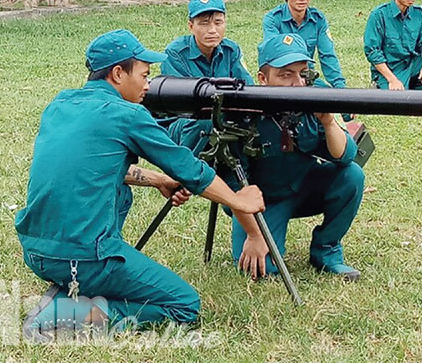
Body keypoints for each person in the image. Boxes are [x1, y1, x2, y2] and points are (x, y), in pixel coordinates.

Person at [15, 30, 265, 341]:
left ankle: (69, 287)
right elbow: (191, 171)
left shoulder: (60, 104)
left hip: (37, 251)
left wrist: (159, 179)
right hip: (84, 256)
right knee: (184, 305)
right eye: (144, 75)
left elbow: (92, 168)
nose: (149, 84)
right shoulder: (127, 114)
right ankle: (64, 311)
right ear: (118, 74)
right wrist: (240, 201)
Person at [231, 34, 364, 281]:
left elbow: (346, 156)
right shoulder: (245, 113)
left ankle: (326, 251)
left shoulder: (314, 94)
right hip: (263, 201)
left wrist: (328, 121)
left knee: (352, 176)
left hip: (303, 186)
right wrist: (254, 234)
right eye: (285, 75)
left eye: (301, 73)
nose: (297, 84)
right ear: (262, 79)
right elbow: (234, 187)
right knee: (260, 270)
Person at [261, 0, 347, 88]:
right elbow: (272, 54)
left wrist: (340, 86)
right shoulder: (273, 19)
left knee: (328, 97)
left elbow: (327, 55)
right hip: (283, 78)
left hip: (306, 76)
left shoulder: (318, 20)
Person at [161, 0, 253, 81]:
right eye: (204, 24)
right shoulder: (175, 53)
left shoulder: (231, 50)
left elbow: (247, 88)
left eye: (218, 23)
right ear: (191, 26)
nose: (212, 30)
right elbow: (175, 93)